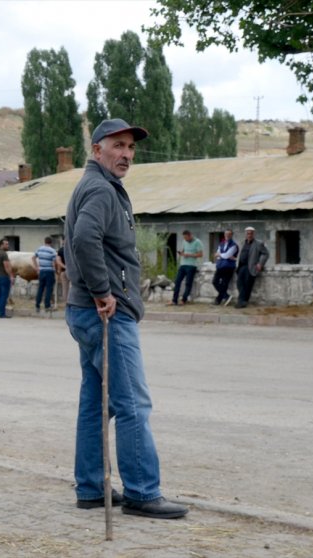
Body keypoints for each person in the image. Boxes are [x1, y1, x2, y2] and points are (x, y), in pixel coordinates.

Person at [64, 118, 188, 520]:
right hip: (106, 311)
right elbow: (84, 239)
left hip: (86, 309)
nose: (126, 155)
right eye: (118, 146)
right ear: (97, 149)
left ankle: (91, 487)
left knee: (95, 404)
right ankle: (141, 491)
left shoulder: (95, 186)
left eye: (131, 148)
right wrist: (103, 291)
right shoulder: (100, 188)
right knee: (132, 402)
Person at [235, 226, 269, 308]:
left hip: (251, 267)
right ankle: (243, 301)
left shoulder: (258, 243)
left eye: (251, 233)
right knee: (239, 284)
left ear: (253, 234)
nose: (249, 235)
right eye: (248, 233)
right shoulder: (242, 242)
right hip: (241, 266)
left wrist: (260, 263)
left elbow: (265, 254)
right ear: (245, 234)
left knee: (247, 285)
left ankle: (242, 301)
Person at [168, 230, 203, 305]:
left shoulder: (197, 242)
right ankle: (174, 300)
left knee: (188, 283)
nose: (185, 239)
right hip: (183, 264)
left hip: (192, 265)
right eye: (184, 238)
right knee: (177, 281)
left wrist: (189, 255)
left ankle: (184, 299)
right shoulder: (184, 242)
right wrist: (181, 253)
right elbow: (183, 250)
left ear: (190, 235)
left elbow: (200, 254)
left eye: (186, 238)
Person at [212, 229, 238, 306]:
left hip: (228, 267)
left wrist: (221, 255)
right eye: (226, 234)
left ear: (231, 235)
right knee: (214, 282)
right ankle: (226, 296)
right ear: (224, 234)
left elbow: (227, 255)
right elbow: (218, 256)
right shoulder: (221, 244)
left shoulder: (234, 245)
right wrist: (223, 255)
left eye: (229, 234)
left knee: (224, 284)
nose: (227, 235)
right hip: (220, 266)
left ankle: (218, 300)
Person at [32, 237, 58, 313]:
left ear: (45, 241)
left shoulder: (39, 249)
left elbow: (33, 257)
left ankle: (37, 305)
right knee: (49, 289)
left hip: (41, 271)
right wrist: (55, 270)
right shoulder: (52, 251)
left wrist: (37, 268)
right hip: (49, 271)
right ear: (51, 242)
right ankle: (47, 306)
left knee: (40, 288)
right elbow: (54, 262)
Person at [0, 237, 14, 318]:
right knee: (4, 296)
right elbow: (6, 266)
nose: (8, 245)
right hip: (4, 277)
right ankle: (2, 313)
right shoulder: (3, 254)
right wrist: (11, 276)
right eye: (6, 244)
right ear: (1, 245)